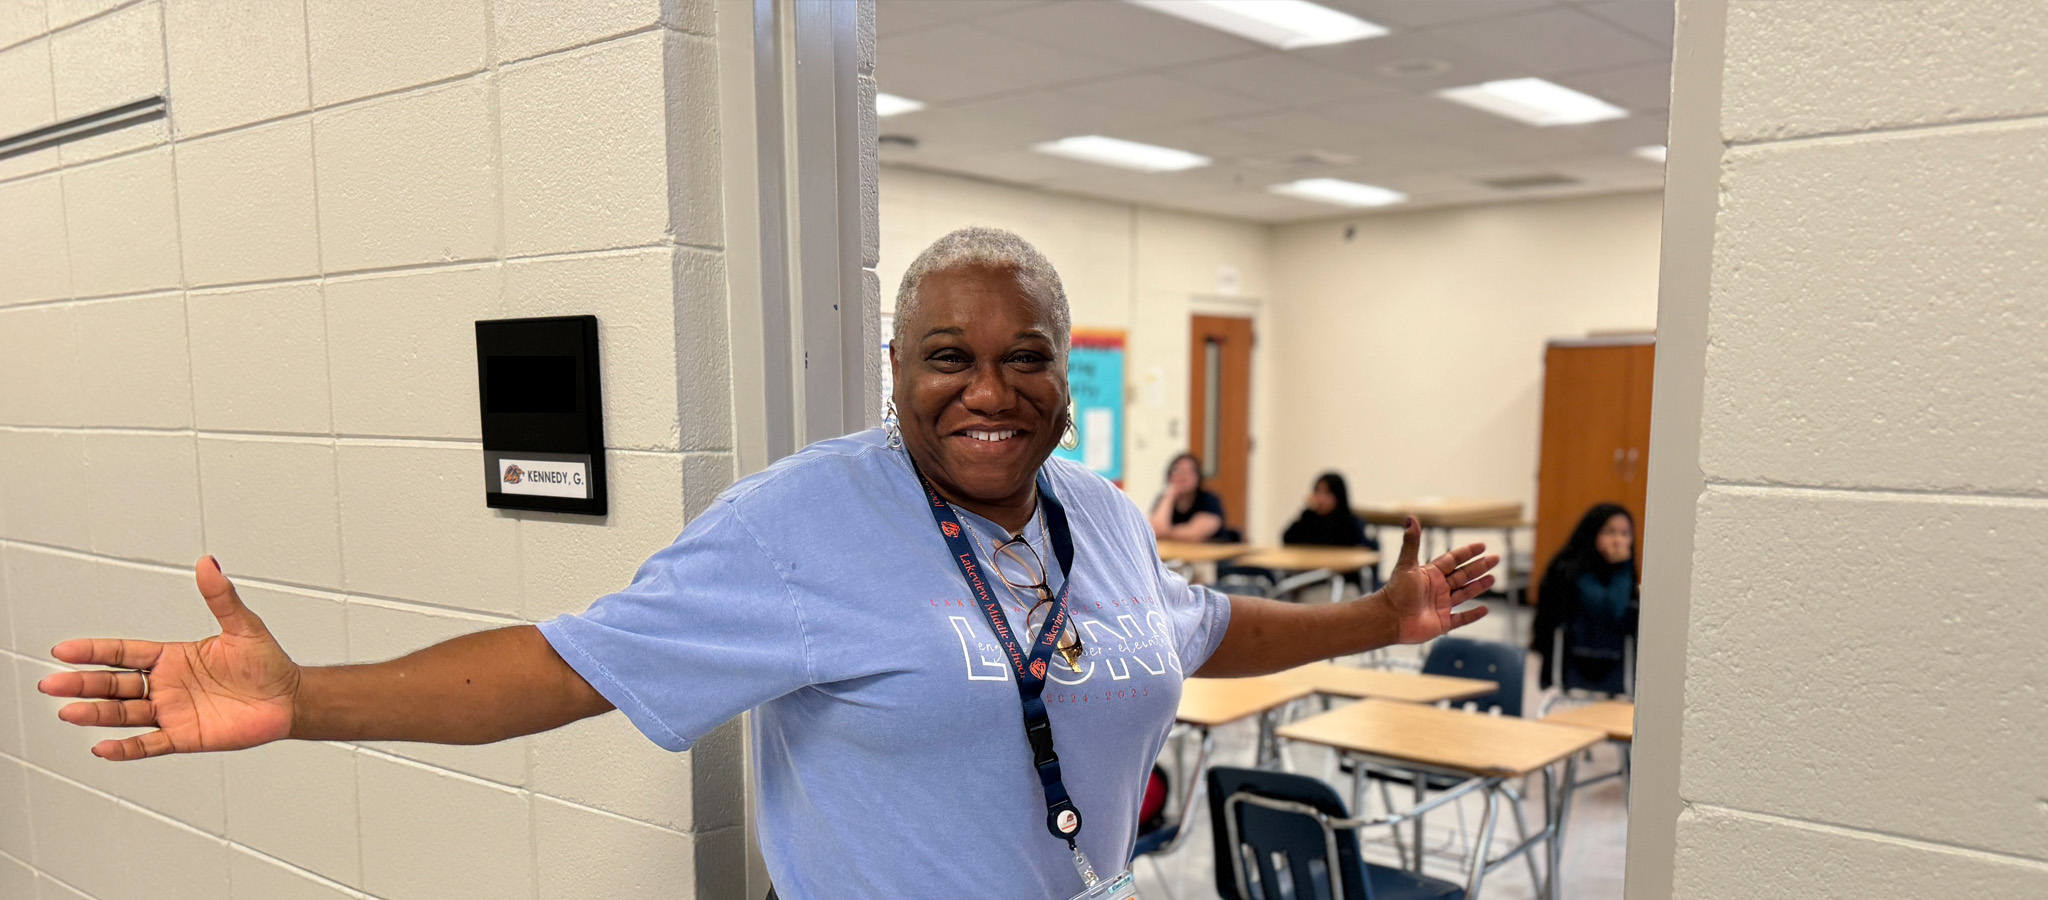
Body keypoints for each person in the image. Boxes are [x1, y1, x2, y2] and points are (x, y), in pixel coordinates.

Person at [34, 227, 1498, 900]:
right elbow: (569, 666)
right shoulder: (807, 523)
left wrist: (1381, 613)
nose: (986, 391)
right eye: (947, 358)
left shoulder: (1099, 513)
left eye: (1022, 358)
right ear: (896, 370)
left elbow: (1190, 629)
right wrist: (314, 700)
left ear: (1064, 377)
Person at [1529, 503, 1639, 694]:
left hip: (1616, 663)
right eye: (1610, 532)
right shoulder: (1572, 570)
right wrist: (1623, 568)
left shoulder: (1625, 572)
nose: (1618, 541)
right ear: (1592, 533)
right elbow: (1611, 609)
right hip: (1577, 659)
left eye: (1625, 533)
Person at [1281, 471, 1373, 550]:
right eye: (1318, 492)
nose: (1321, 498)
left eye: (1327, 493)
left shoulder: (1351, 523)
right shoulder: (1309, 518)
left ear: (1338, 496)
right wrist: (1308, 510)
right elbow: (1287, 539)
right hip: (1310, 568)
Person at [1148, 452, 1226, 542]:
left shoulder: (1209, 499)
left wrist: (1166, 532)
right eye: (1178, 471)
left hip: (1209, 552)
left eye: (1190, 472)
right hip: (1173, 552)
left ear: (1198, 477)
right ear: (1169, 476)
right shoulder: (1164, 499)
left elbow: (1195, 533)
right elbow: (1155, 530)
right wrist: (1169, 497)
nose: (1183, 476)